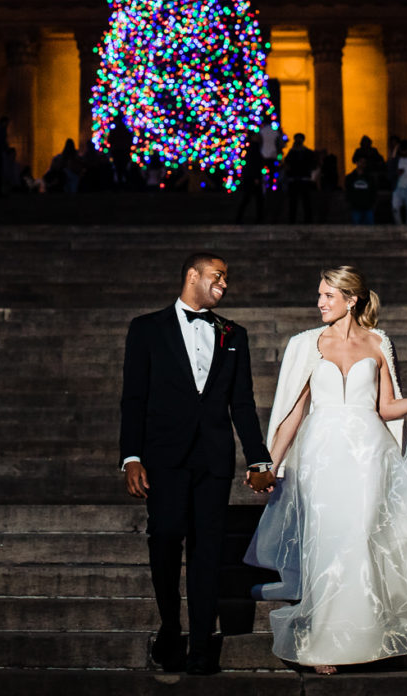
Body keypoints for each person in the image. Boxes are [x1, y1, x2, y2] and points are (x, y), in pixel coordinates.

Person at [245, 266, 407, 673]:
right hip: (321, 456)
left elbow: (385, 408)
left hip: (367, 454)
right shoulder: (308, 344)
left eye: (328, 295)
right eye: (320, 295)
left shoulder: (379, 342)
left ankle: (363, 634)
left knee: (361, 536)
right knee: (327, 539)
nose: (320, 302)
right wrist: (266, 464)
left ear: (351, 299)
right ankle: (328, 641)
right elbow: (292, 414)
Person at [119, 253, 273, 676]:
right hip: (164, 457)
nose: (225, 285)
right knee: (165, 538)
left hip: (213, 459)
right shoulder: (147, 329)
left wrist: (258, 456)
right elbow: (134, 398)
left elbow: (242, 403)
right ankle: (171, 626)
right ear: (192, 275)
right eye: (217, 277)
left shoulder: (233, 333)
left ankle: (202, 644)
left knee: (207, 550)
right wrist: (131, 457)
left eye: (227, 279)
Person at [281, 133, 318, 224]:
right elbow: (287, 165)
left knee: (306, 202)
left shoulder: (308, 153)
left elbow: (313, 165)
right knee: (294, 202)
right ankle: (293, 220)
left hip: (304, 179)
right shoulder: (292, 152)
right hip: (294, 179)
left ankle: (307, 220)